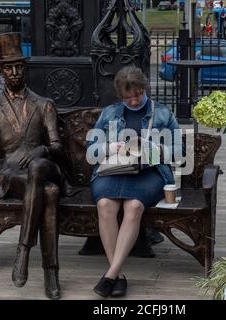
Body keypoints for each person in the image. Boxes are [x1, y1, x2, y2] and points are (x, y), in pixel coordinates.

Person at [0, 32, 63, 300]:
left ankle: (23, 251)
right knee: (49, 194)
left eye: (19, 66)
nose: (15, 72)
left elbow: (57, 148)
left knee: (39, 166)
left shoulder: (44, 104)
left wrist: (40, 149)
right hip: (12, 177)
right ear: (0, 70)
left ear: (25, 67)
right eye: (9, 67)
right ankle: (51, 272)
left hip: (47, 167)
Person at [87, 66, 181, 298]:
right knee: (105, 205)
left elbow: (179, 152)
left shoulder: (163, 113)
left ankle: (111, 276)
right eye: (128, 97)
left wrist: (156, 149)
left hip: (150, 173)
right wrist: (111, 147)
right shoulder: (109, 113)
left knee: (134, 206)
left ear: (144, 88)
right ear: (120, 96)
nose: (134, 100)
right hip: (114, 170)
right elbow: (92, 151)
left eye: (138, 94)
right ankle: (116, 276)